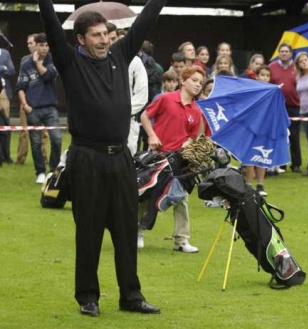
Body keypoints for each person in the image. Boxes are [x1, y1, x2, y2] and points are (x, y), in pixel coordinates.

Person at [38, 0, 166, 317]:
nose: (103, 40)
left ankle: (131, 296)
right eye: (95, 35)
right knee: (89, 230)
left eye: (105, 34)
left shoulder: (120, 56)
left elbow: (144, 23)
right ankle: (88, 297)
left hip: (121, 157)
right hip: (86, 159)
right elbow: (52, 27)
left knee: (125, 228)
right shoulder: (69, 63)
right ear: (80, 38)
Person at [140, 66, 205, 253]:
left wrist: (189, 142)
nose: (198, 85)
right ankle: (138, 232)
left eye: (200, 83)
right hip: (159, 157)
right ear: (183, 81)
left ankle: (182, 240)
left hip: (180, 160)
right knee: (147, 195)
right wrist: (151, 135)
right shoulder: (166, 99)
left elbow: (194, 136)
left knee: (181, 199)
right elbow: (145, 115)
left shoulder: (196, 110)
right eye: (194, 80)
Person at [16, 32, 62, 184]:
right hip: (33, 109)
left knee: (57, 139)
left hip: (50, 108)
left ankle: (53, 170)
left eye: (47, 45)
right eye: (42, 45)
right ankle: (40, 171)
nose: (45, 48)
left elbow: (48, 75)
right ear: (36, 45)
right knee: (35, 142)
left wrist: (37, 64)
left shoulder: (52, 58)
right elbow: (21, 86)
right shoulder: (25, 63)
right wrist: (25, 105)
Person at [107, 22, 149, 156]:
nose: (109, 42)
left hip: (127, 121)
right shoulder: (91, 62)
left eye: (113, 38)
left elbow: (142, 95)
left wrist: (119, 111)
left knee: (127, 163)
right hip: (100, 123)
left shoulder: (134, 61)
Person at [16, 33, 50, 166]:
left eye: (31, 43)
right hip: (26, 100)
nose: (29, 46)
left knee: (44, 133)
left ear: (37, 44)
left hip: (42, 102)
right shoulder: (24, 60)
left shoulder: (48, 60)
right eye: (28, 44)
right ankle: (20, 159)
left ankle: (44, 157)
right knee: (24, 131)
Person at [269, 43, 302, 173]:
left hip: (294, 106)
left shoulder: (297, 67)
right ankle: (281, 163)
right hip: (277, 106)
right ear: (278, 53)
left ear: (291, 53)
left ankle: (296, 164)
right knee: (280, 136)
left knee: (294, 136)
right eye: (281, 51)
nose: (284, 53)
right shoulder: (272, 67)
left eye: (286, 51)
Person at [243, 65, 272, 195]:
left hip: (266, 128)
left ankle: (260, 185)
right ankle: (249, 184)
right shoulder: (251, 90)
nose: (265, 78)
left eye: (267, 75)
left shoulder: (273, 92)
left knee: (263, 156)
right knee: (250, 157)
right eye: (262, 75)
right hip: (251, 127)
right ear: (256, 76)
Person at [0, 46, 15, 164]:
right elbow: (6, 70)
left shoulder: (5, 53)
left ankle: (6, 156)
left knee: (5, 124)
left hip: (4, 92)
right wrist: (3, 68)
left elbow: (12, 71)